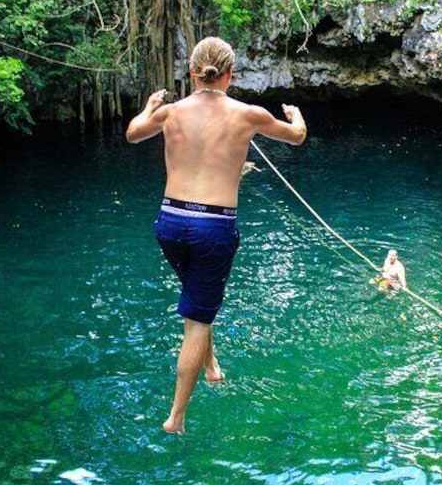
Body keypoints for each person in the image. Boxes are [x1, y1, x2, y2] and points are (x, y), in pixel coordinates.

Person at [126, 36, 307, 435]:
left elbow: (133, 133)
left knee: (198, 298)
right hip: (213, 227)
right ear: (229, 75)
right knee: (197, 322)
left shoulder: (170, 113)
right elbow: (296, 137)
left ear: (192, 72)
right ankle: (176, 417)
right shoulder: (248, 114)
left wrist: (149, 107)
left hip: (169, 224)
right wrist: (297, 116)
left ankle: (211, 366)